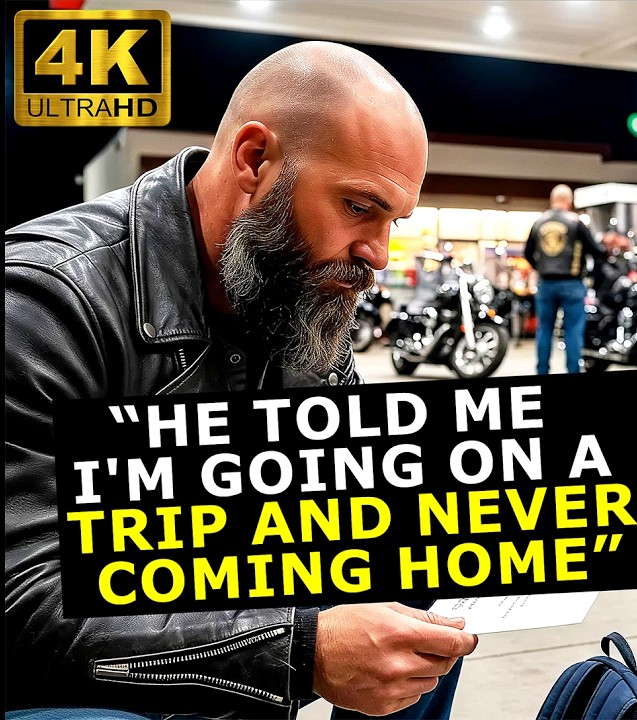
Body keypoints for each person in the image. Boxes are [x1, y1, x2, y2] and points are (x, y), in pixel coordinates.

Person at [5, 42, 477, 719]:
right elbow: (19, 609)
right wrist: (296, 650)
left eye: (391, 221)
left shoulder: (305, 303)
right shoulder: (44, 301)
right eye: (357, 207)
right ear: (254, 160)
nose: (379, 252)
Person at [526, 185, 605, 375]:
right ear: (569, 202)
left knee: (544, 329)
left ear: (552, 200)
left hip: (545, 284)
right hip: (572, 284)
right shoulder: (576, 223)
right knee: (573, 331)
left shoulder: (539, 223)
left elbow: (528, 253)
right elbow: (596, 251)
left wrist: (541, 268)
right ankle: (572, 371)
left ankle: (542, 372)